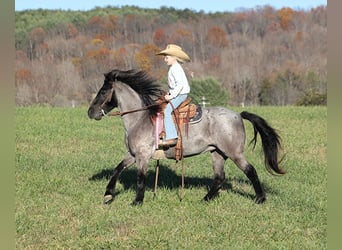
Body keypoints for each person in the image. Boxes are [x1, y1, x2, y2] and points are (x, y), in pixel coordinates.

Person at [156, 44, 191, 147]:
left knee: (167, 111)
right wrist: (169, 93)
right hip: (177, 93)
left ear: (174, 57)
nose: (165, 59)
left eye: (167, 57)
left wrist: (171, 96)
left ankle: (171, 137)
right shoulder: (173, 68)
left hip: (181, 94)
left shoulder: (175, 69)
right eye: (164, 57)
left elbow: (179, 85)